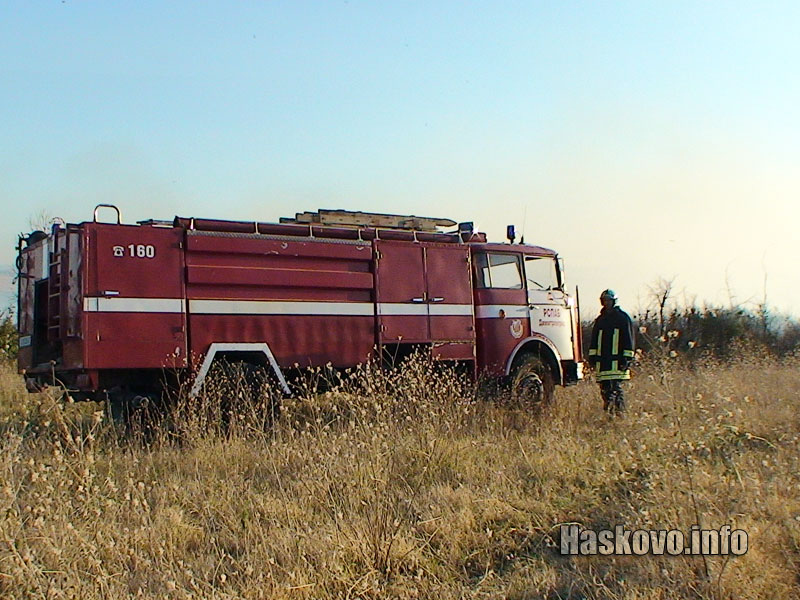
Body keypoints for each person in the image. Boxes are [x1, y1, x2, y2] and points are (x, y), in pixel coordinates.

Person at [588, 289, 635, 414]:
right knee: (605, 392)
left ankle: (620, 415)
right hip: (603, 365)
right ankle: (609, 415)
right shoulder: (600, 320)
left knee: (616, 391)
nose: (607, 303)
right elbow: (594, 340)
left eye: (609, 300)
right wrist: (592, 358)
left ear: (614, 302)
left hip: (617, 364)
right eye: (605, 300)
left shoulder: (622, 318)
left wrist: (626, 359)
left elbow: (628, 339)